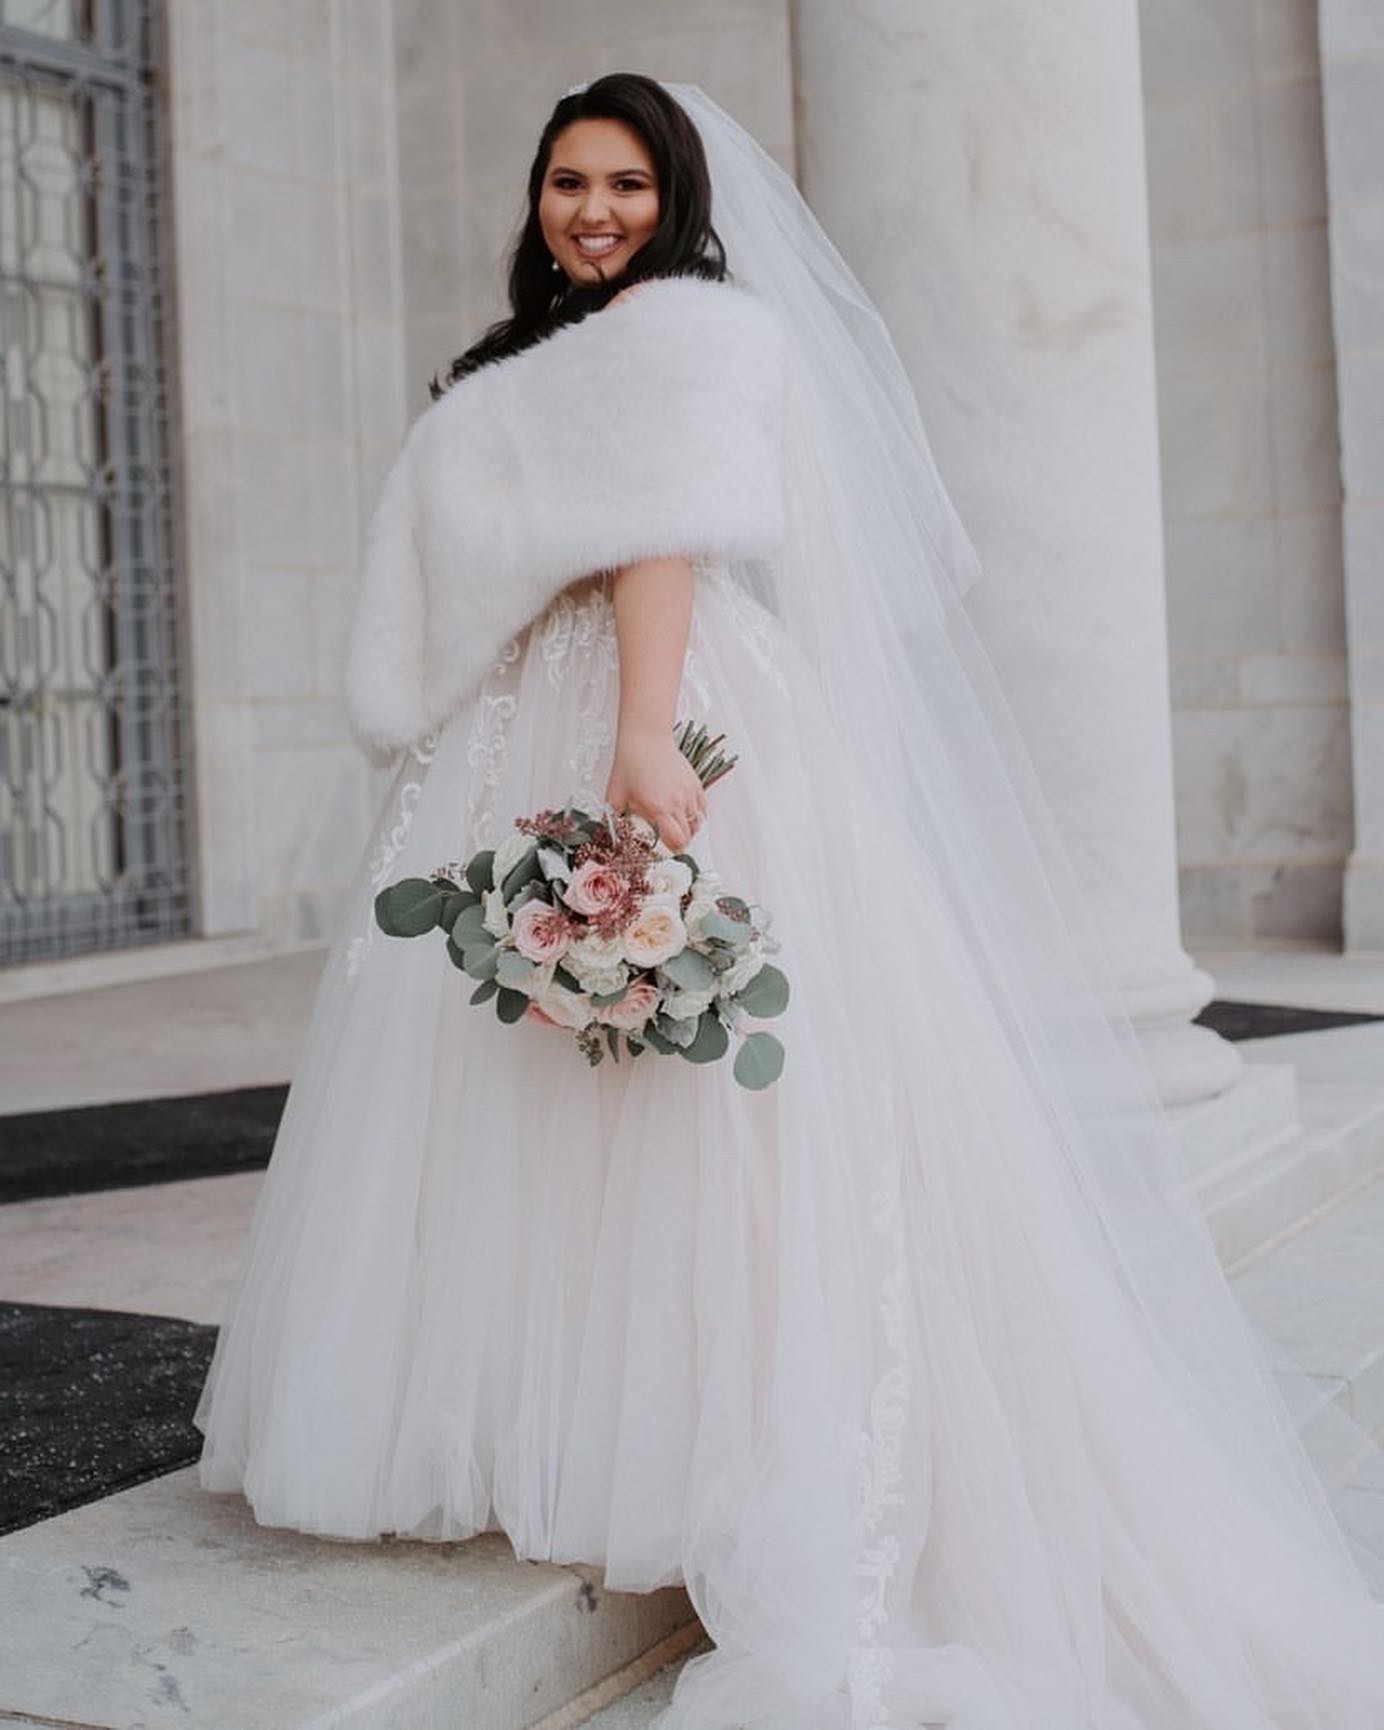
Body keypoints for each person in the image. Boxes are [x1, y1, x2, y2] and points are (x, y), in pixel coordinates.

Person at [194, 74, 1384, 1727]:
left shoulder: (689, 333)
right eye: (563, 182)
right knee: (536, 1083)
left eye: (621, 182)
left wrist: (636, 737)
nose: (590, 210)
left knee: (679, 1087)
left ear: (672, 194)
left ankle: (706, 1431)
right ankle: (563, 1414)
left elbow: (657, 540)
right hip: (535, 705)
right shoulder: (533, 356)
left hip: (652, 709)